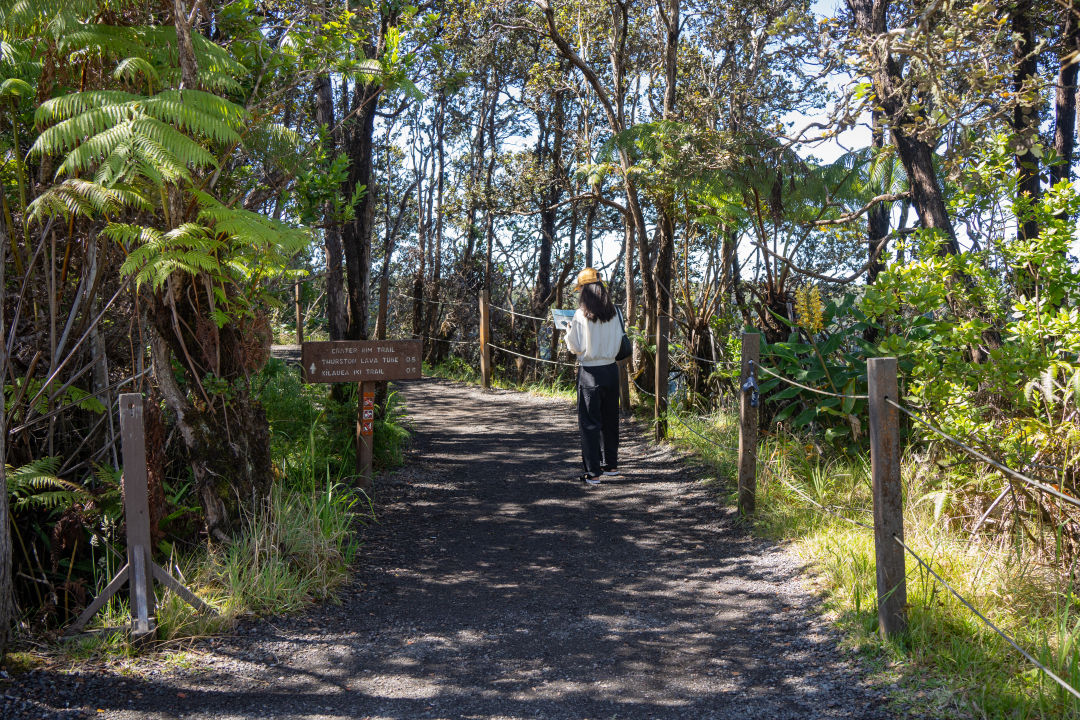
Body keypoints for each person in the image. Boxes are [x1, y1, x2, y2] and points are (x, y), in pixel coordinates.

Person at [563, 268, 622, 485]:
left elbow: (576, 347)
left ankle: (593, 472)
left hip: (589, 371)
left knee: (589, 422)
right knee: (610, 419)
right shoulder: (615, 312)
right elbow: (618, 342)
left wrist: (568, 332)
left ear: (584, 291)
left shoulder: (580, 315)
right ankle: (611, 465)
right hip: (611, 370)